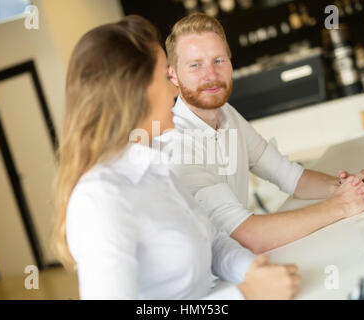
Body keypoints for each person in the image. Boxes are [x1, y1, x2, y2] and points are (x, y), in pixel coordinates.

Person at [53, 15, 301, 300]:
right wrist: (243, 295)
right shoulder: (100, 198)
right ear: (135, 91)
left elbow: (213, 243)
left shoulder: (157, 166)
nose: (175, 89)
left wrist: (253, 270)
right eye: (164, 77)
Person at [161, 13, 364, 254]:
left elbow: (289, 176)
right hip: (213, 286)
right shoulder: (174, 142)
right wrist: (343, 205)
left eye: (219, 60)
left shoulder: (226, 113)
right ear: (173, 75)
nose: (211, 75)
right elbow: (249, 236)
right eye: (195, 65)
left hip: (242, 266)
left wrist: (348, 187)